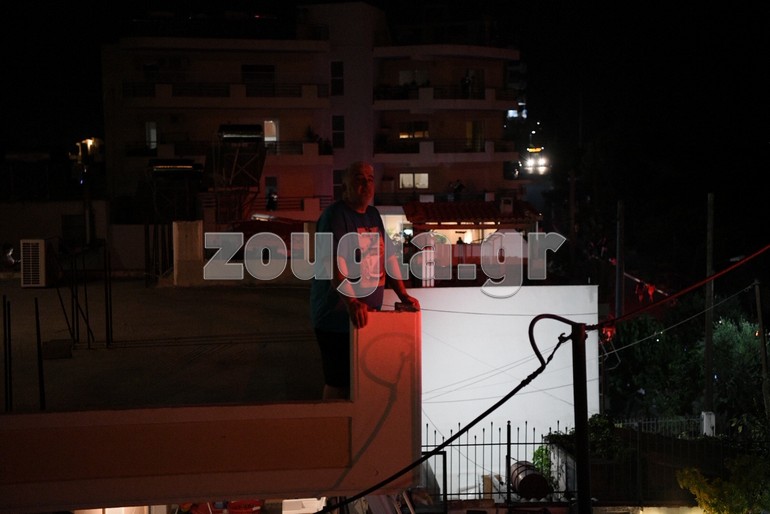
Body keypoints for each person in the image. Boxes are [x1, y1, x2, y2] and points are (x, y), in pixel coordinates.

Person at [310, 161, 420, 400]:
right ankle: (334, 423)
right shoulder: (334, 216)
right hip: (336, 320)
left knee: (362, 384)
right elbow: (334, 266)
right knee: (339, 385)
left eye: (370, 179)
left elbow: (388, 257)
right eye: (359, 179)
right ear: (345, 186)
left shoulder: (373, 215)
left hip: (367, 317)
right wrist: (351, 301)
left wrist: (403, 295)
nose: (366, 184)